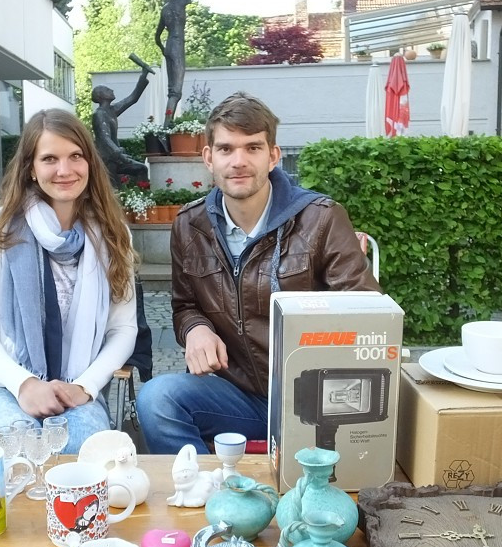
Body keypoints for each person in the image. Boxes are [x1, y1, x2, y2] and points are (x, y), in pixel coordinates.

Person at [135, 93, 380, 453]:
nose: (239, 161)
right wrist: (196, 329)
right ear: (208, 158)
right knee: (157, 399)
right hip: (237, 396)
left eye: (252, 148)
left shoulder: (320, 218)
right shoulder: (190, 225)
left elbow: (366, 314)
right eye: (226, 149)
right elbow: (185, 304)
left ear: (273, 156)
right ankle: (207, 493)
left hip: (314, 398)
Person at [0, 109, 138, 450]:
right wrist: (25, 384)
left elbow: (123, 329)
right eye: (49, 158)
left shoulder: (112, 234)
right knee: (17, 440)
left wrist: (85, 387)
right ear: (31, 169)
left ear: (90, 164)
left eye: (75, 156)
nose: (64, 170)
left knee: (81, 449)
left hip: (74, 387)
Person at [156, 0, 208, 126]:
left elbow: (157, 36)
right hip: (177, 46)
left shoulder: (165, 10)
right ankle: (166, 125)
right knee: (176, 91)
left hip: (169, 46)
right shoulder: (180, 3)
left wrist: (164, 50)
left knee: (173, 90)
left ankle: (166, 123)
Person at [91, 66, 152, 188]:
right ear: (100, 96)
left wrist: (143, 76)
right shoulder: (99, 114)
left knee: (141, 169)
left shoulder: (112, 110)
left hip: (115, 156)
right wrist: (119, 154)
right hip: (107, 158)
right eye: (107, 90)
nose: (111, 90)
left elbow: (132, 98)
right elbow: (105, 138)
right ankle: (124, 205)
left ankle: (142, 201)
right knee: (114, 189)